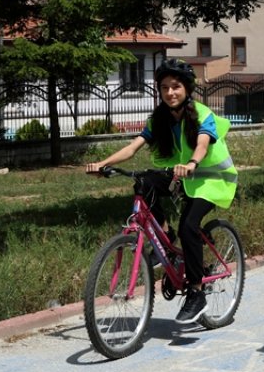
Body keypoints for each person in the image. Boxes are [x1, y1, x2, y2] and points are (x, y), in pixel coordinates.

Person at [87, 58, 239, 325]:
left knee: (189, 226)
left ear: (187, 89)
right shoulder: (158, 119)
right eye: (165, 87)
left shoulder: (203, 114)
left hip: (213, 179)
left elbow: (202, 144)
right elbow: (132, 148)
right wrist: (103, 164)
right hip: (183, 176)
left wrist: (192, 163)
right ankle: (164, 242)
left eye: (176, 87)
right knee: (144, 184)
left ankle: (196, 292)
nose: (170, 92)